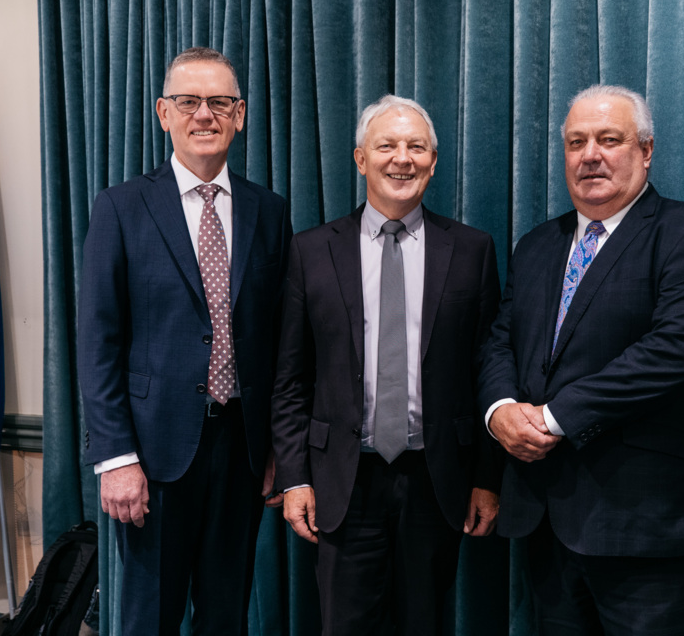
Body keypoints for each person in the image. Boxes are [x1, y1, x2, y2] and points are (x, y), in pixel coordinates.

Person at [478, 84, 684, 635]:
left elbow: (676, 351)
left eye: (609, 139)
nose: (590, 154)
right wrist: (500, 410)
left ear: (645, 151)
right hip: (544, 520)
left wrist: (549, 417)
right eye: (576, 142)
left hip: (645, 527)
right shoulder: (537, 245)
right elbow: (502, 340)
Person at [78, 47, 291, 635]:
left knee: (226, 616)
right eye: (189, 102)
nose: (205, 114)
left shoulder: (269, 212)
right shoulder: (120, 207)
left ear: (240, 114)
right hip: (152, 455)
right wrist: (116, 459)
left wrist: (277, 446)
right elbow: (98, 341)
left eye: (220, 102)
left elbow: (279, 340)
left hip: (243, 451)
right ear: (162, 113)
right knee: (151, 618)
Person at [271, 94, 501, 635]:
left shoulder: (472, 250)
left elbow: (489, 370)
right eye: (387, 145)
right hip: (343, 481)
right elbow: (289, 380)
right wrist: (295, 478)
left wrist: (488, 479)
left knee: (425, 623)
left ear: (434, 161)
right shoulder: (311, 251)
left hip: (436, 477)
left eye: (416, 147)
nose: (402, 158)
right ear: (360, 159)